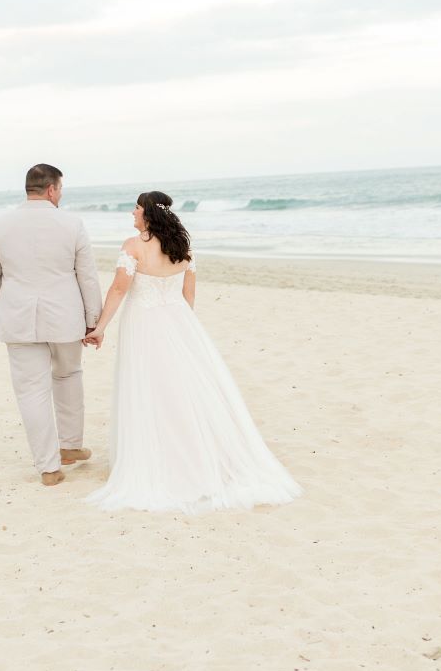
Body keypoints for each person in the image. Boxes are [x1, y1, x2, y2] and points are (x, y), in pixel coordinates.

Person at [84, 191, 302, 513]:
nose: (132, 212)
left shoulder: (133, 246)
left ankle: (160, 458)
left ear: (148, 213)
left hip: (144, 324)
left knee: (151, 388)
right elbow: (188, 298)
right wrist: (182, 330)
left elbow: (119, 289)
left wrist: (100, 327)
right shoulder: (182, 248)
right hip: (180, 324)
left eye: (137, 207)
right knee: (183, 389)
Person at [0, 164, 102, 486]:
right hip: (65, 317)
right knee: (68, 375)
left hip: (16, 316)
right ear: (51, 189)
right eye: (60, 189)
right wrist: (94, 321)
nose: (60, 195)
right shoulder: (72, 224)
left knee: (31, 392)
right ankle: (70, 446)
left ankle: (49, 468)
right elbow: (87, 275)